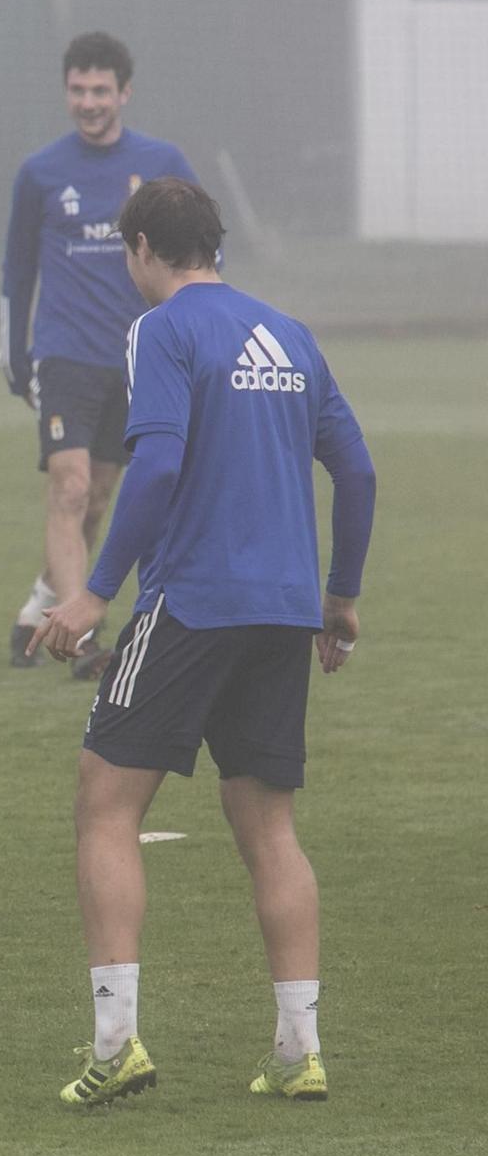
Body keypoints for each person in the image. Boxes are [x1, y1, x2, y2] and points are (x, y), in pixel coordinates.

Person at [29, 179, 374, 1106]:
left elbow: (160, 463)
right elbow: (358, 468)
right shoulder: (291, 335)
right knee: (269, 827)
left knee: (106, 802)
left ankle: (116, 1044)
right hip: (285, 609)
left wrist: (95, 591)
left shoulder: (162, 331)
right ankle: (300, 1050)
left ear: (142, 247)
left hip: (192, 604)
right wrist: (340, 597)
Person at [0, 32, 199, 675]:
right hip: (64, 357)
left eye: (100, 91)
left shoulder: (162, 161)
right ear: (67, 92)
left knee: (99, 498)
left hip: (140, 358)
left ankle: (42, 605)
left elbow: (204, 252)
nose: (89, 102)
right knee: (71, 486)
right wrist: (13, 355)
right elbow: (16, 271)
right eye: (78, 90)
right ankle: (80, 643)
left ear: (124, 92)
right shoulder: (39, 171)